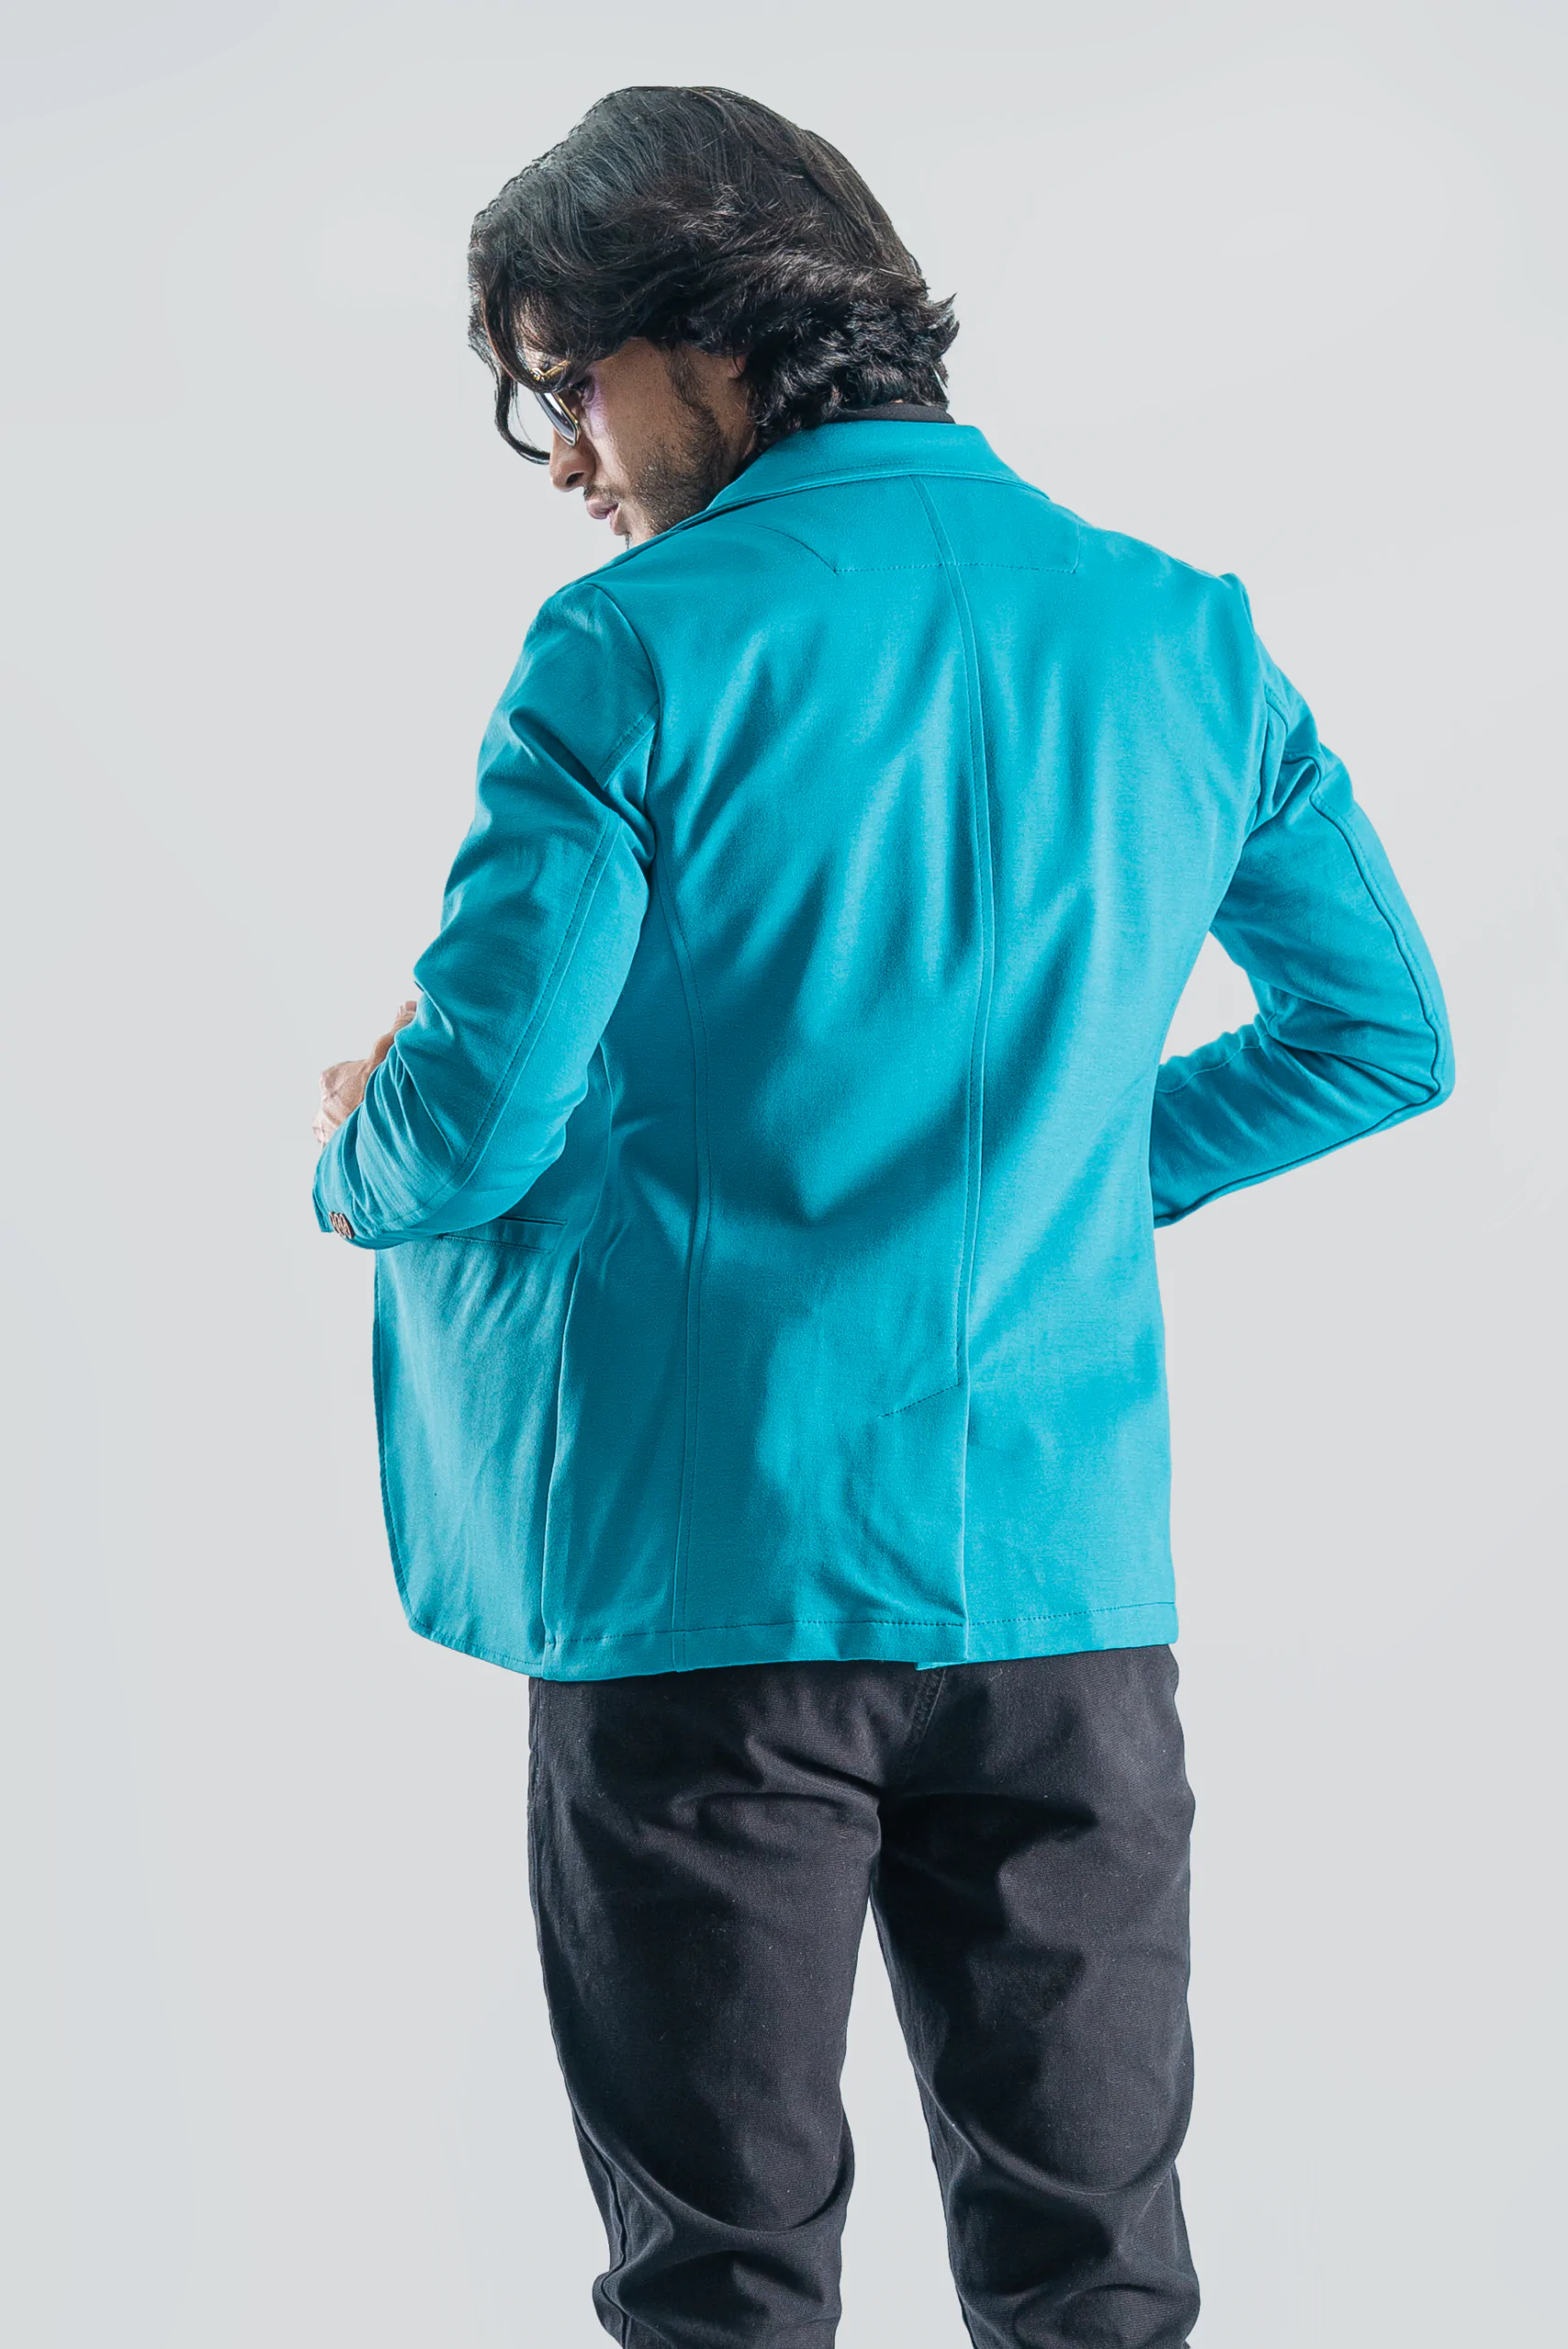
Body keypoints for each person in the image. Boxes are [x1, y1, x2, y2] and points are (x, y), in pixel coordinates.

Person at [312, 86, 1452, 2349]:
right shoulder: (1180, 633)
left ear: (699, 336)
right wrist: (1052, 1167)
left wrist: (353, 1134)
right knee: (1094, 2272)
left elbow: (471, 1125)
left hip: (703, 1593)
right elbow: (1374, 1033)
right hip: (1063, 1599)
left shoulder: (632, 644)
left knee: (718, 2280)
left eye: (562, 385)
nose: (562, 457)